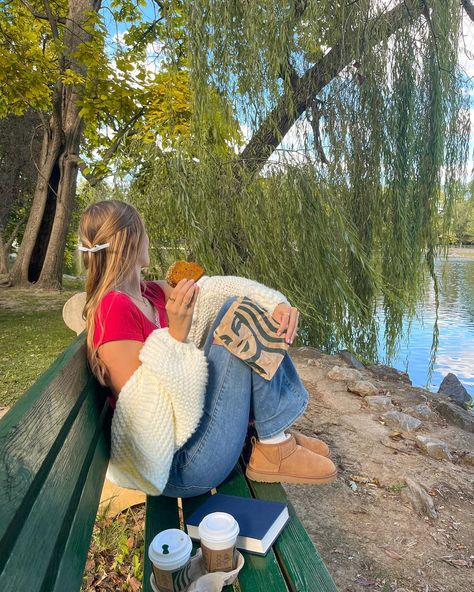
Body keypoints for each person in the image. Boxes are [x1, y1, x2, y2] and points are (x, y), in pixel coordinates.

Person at [79, 199, 337, 498]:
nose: (149, 238)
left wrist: (276, 304)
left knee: (236, 310)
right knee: (237, 318)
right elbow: (143, 413)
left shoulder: (149, 293)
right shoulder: (113, 309)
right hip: (179, 466)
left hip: (192, 441)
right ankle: (274, 444)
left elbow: (218, 288)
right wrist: (176, 336)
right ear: (131, 240)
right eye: (144, 230)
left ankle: (273, 436)